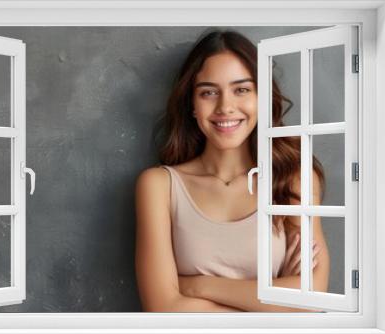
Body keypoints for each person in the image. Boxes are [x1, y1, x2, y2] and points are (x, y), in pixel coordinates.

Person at [134, 29, 330, 312]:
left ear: (261, 98)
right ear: (192, 104)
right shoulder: (158, 185)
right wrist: (274, 305)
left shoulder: (293, 180)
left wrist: (195, 285)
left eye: (241, 89)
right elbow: (164, 309)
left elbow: (310, 299)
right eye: (209, 92)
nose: (225, 107)